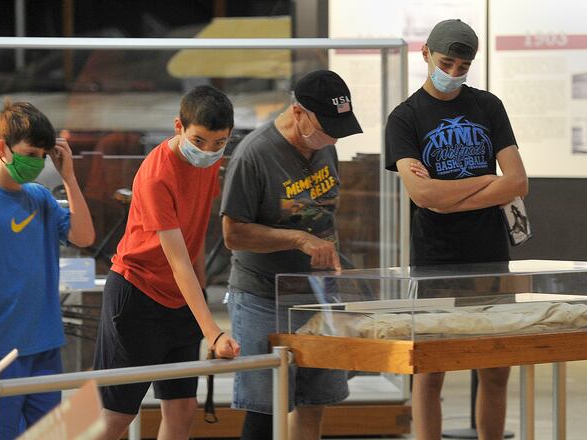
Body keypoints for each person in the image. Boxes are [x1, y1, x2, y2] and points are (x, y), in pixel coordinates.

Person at [384, 19, 529, 440]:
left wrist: (445, 195)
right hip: (436, 258)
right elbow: (422, 195)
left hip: (490, 254)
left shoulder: (488, 106)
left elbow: (518, 182)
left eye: (463, 67)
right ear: (425, 54)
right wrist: (487, 181)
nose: (453, 73)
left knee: (495, 367)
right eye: (446, 63)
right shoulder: (405, 118)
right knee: (430, 370)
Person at [220, 70, 363, 440]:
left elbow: (325, 211)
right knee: (265, 408)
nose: (333, 138)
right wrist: (298, 239)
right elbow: (233, 234)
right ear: (298, 112)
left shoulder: (325, 145)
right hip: (263, 294)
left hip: (319, 293)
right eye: (327, 128)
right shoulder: (254, 154)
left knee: (316, 401)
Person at [93, 85, 240, 440]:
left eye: (219, 143)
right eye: (199, 140)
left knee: (182, 408)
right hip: (137, 294)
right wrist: (213, 331)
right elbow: (177, 261)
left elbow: (194, 238)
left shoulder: (209, 161)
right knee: (115, 416)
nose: (208, 151)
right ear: (179, 126)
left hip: (182, 297)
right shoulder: (157, 174)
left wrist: (199, 300)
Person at [0, 101, 95, 437]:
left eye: (42, 156)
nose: (36, 162)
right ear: (2, 148)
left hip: (45, 348)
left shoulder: (40, 198)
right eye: (30, 154)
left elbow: (84, 236)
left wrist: (69, 178)